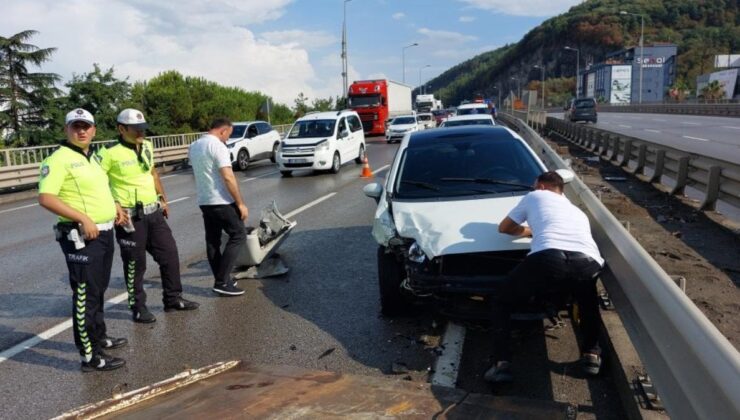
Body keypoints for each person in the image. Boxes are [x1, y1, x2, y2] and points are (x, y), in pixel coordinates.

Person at [485, 171, 604, 383]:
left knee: (502, 301)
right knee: (588, 303)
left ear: (541, 186)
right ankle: (591, 356)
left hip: (549, 257)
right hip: (588, 260)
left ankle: (501, 363)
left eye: (533, 187)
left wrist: (528, 231)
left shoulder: (535, 196)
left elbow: (504, 228)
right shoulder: (576, 210)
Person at [38, 108, 127, 372]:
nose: (82, 130)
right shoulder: (58, 159)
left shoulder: (94, 158)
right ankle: (89, 356)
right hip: (81, 236)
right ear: (66, 130)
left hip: (104, 232)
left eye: (86, 126)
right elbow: (47, 197)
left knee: (98, 290)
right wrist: (82, 218)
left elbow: (99, 189)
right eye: (76, 126)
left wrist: (115, 205)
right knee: (85, 296)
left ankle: (100, 338)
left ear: (94, 130)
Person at [97, 109, 199, 323]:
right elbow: (98, 182)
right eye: (136, 130)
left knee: (170, 255)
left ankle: (173, 298)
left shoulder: (147, 146)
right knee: (136, 264)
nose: (141, 133)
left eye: (143, 128)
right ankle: (138, 307)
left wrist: (162, 197)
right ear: (121, 129)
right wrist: (114, 205)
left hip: (154, 212)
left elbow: (152, 172)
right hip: (130, 218)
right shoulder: (109, 153)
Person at [188, 118, 249, 296]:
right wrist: (240, 203)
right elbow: (228, 177)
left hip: (204, 200)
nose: (227, 140)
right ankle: (222, 281)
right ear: (222, 131)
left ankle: (221, 279)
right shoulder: (218, 146)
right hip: (220, 200)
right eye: (227, 135)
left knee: (212, 241)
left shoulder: (195, 145)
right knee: (238, 235)